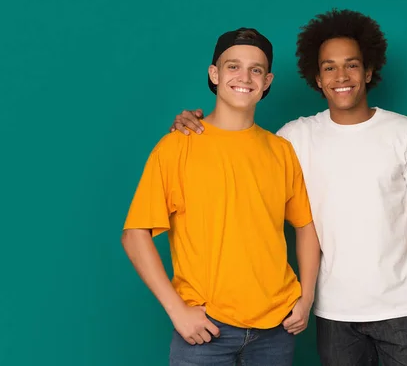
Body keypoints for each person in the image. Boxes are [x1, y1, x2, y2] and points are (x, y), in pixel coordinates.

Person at [170, 9, 407, 366]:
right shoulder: (294, 139)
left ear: (369, 71)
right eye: (329, 67)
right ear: (317, 78)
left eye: (351, 65)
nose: (341, 76)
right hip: (333, 313)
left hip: (405, 308)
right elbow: (240, 142)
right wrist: (192, 122)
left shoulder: (406, 133)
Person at [122, 27, 321, 366]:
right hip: (205, 331)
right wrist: (177, 311)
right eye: (233, 66)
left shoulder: (281, 151)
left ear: (268, 80)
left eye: (256, 69)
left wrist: (306, 298)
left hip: (276, 330)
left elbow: (305, 225)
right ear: (214, 73)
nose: (245, 76)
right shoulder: (176, 147)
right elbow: (134, 235)